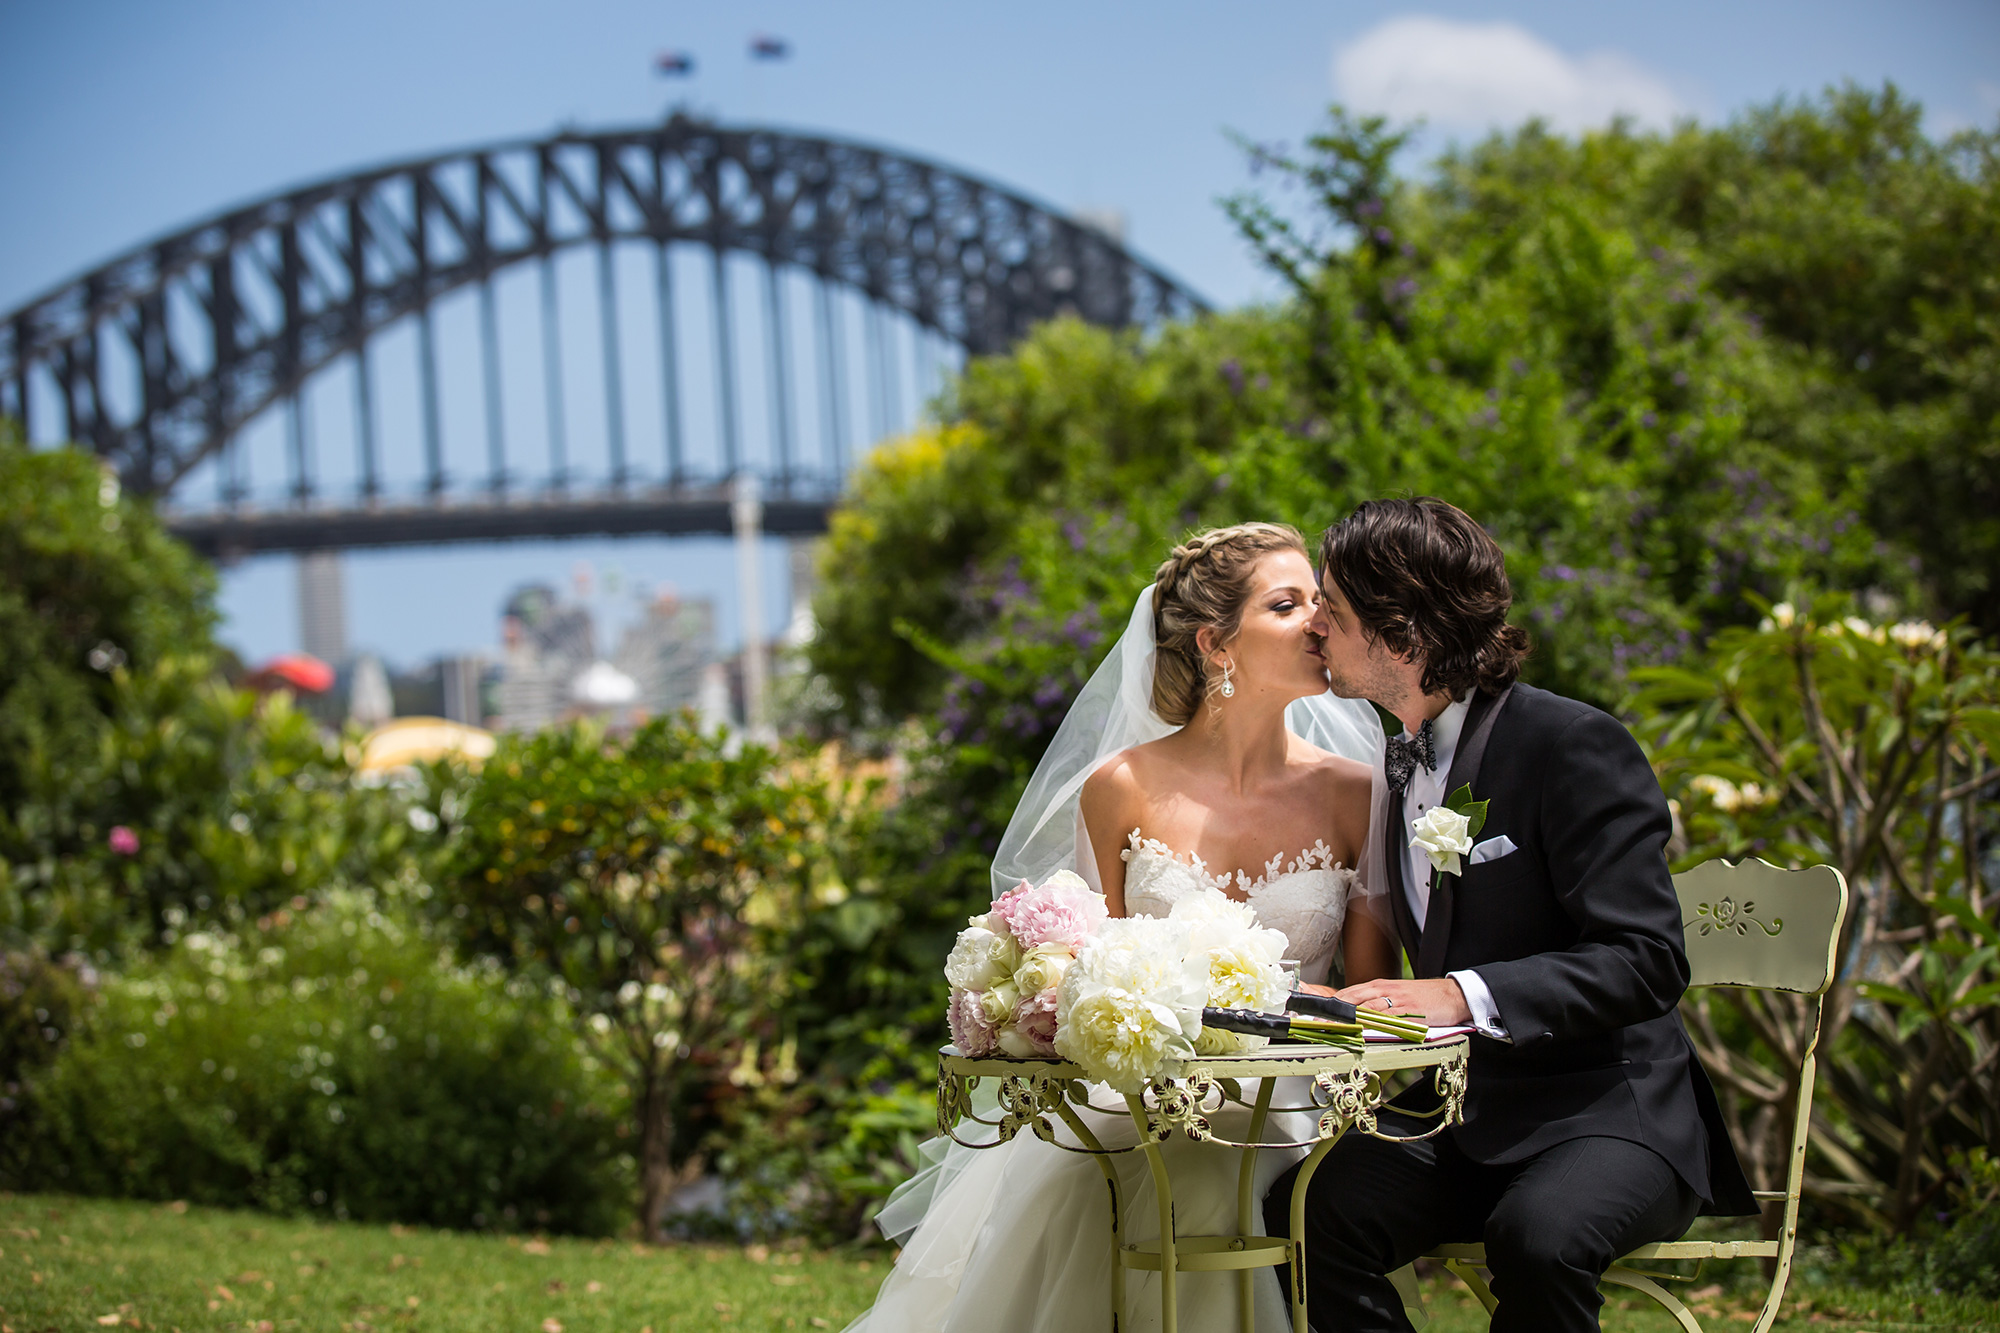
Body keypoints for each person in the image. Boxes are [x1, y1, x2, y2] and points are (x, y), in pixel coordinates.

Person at [846, 522, 1395, 1333]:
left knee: (1206, 1160)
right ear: (1218, 643)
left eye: (1321, 602)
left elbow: (1362, 993)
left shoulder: (1359, 790)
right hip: (1141, 1088)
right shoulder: (1121, 787)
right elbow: (1084, 971)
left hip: (1294, 1090)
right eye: (1289, 604)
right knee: (1100, 1164)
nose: (1320, 621)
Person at [1269, 497, 1758, 1333]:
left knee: (1536, 1239)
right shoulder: (1398, 759)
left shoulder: (1574, 746)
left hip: (1610, 1111)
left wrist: (1460, 994)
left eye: (1336, 611)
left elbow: (1648, 958)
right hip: (1470, 1112)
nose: (1316, 627)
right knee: (1306, 1209)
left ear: (1404, 638)